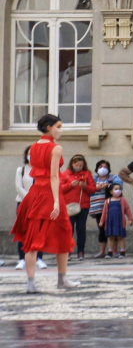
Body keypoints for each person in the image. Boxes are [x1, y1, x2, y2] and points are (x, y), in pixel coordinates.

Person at [10, 114, 80, 293]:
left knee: (32, 239)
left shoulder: (33, 147)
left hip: (35, 194)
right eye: (58, 126)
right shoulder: (55, 148)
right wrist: (57, 201)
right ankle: (61, 279)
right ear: (49, 127)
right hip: (49, 195)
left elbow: (38, 171)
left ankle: (31, 283)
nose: (61, 130)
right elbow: (54, 176)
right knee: (64, 234)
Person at [14, 146, 46, 271]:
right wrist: (30, 198)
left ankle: (39, 258)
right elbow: (18, 187)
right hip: (24, 203)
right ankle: (22, 259)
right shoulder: (21, 170)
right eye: (29, 153)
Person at [60, 154, 96, 261]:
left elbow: (93, 189)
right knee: (68, 229)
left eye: (81, 165)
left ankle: (81, 251)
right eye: (77, 165)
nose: (79, 167)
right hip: (68, 206)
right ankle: (68, 251)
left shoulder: (87, 174)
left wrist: (85, 187)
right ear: (72, 164)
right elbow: (59, 189)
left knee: (81, 229)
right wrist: (70, 185)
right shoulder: (65, 174)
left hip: (83, 205)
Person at [91, 160, 122, 259]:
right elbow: (87, 187)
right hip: (98, 208)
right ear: (96, 169)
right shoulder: (93, 179)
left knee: (114, 229)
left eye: (105, 167)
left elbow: (119, 186)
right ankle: (102, 251)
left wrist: (108, 186)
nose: (103, 169)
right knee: (102, 229)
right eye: (100, 167)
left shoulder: (113, 178)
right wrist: (95, 187)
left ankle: (114, 251)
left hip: (112, 208)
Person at [100, 183, 133, 258]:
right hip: (110, 222)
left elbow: (127, 210)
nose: (118, 191)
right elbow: (104, 212)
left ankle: (122, 251)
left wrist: (130, 219)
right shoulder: (107, 201)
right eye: (116, 189)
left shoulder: (123, 200)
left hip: (119, 221)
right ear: (111, 191)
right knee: (110, 237)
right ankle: (110, 251)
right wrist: (102, 221)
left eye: (119, 189)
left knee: (120, 237)